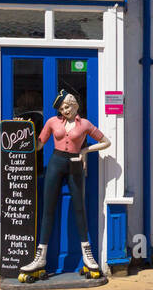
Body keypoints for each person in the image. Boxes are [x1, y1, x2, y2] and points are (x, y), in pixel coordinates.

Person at [19, 89, 112, 278]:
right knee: (48, 209)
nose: (65, 110)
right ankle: (40, 256)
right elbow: (38, 145)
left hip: (75, 165)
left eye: (68, 106)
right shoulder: (52, 122)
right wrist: (23, 131)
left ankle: (87, 255)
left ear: (75, 105)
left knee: (79, 209)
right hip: (55, 163)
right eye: (62, 108)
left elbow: (106, 141)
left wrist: (85, 150)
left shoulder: (85, 124)